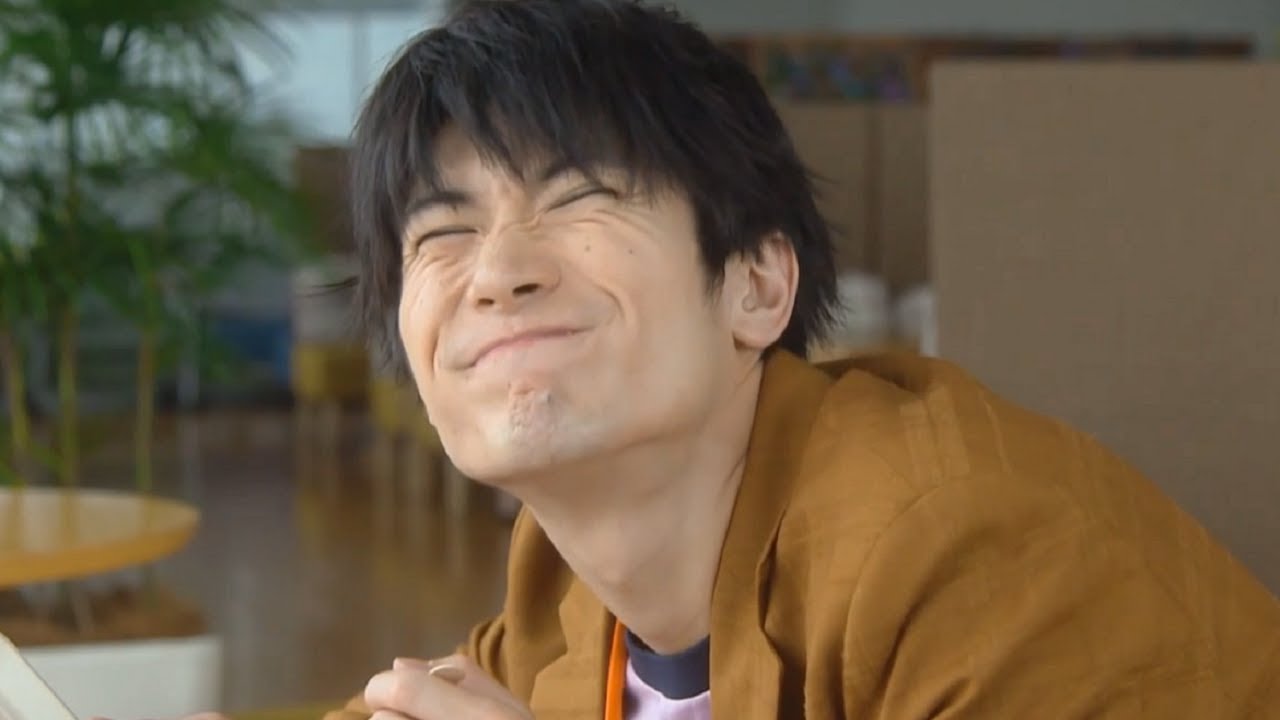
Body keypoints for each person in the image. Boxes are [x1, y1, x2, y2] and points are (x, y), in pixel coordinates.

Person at [162, 1, 1280, 719]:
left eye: (580, 197)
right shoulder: (566, 574)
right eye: (440, 233)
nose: (495, 272)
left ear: (757, 285)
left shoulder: (961, 551)